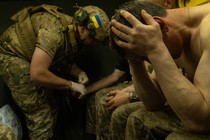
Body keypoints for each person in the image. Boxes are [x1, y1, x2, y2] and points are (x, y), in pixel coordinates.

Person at [0, 4, 109, 139]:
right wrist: (71, 85)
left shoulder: (71, 33)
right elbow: (38, 73)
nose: (93, 44)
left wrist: (79, 72)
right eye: (93, 39)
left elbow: (63, 59)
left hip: (31, 61)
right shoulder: (53, 33)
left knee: (52, 107)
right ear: (82, 28)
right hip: (12, 56)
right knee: (41, 116)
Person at [109, 0, 210, 140]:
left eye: (147, 57)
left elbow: (202, 122)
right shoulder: (169, 36)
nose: (150, 62)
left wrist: (156, 50)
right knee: (132, 118)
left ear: (160, 25)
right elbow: (153, 102)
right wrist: (134, 59)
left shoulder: (207, 29)